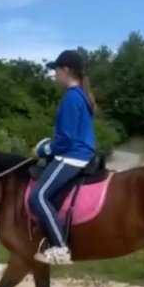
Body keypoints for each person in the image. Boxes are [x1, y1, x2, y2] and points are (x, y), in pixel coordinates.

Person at [29, 49, 97, 265]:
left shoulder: (70, 98)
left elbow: (66, 140)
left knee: (38, 196)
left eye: (56, 70)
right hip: (82, 153)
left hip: (72, 156)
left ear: (66, 70)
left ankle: (60, 247)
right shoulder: (81, 96)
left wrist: (42, 150)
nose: (54, 74)